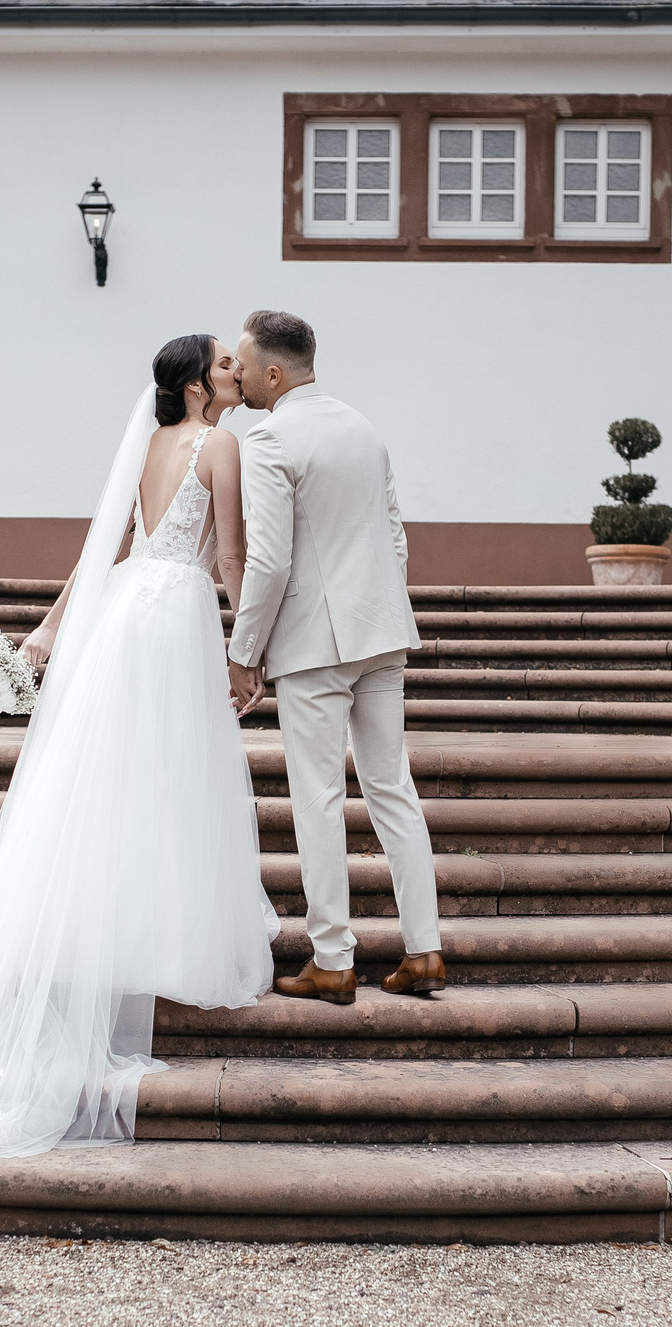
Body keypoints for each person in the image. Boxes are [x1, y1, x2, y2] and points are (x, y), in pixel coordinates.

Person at [0, 334, 274, 1158]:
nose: (235, 371)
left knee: (107, 782)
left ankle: (97, 938)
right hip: (179, 613)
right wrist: (248, 649)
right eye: (224, 363)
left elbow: (102, 554)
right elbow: (229, 557)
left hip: (123, 617)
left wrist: (47, 631)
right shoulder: (222, 443)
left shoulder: (147, 445)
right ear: (197, 384)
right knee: (173, 783)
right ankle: (161, 942)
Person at [227, 310, 445, 1006]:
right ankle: (425, 950)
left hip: (315, 645)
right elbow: (396, 535)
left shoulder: (268, 439)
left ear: (272, 372)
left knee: (317, 796)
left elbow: (267, 560)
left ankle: (332, 959)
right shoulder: (363, 428)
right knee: (393, 791)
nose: (238, 376)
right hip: (381, 631)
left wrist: (243, 650)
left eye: (243, 364)